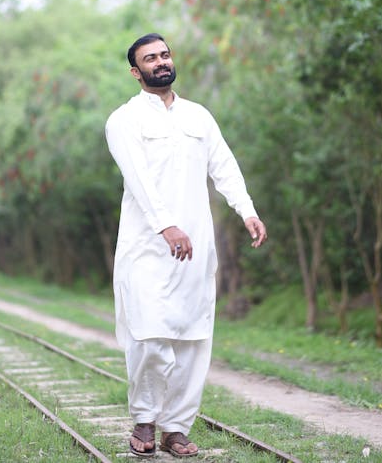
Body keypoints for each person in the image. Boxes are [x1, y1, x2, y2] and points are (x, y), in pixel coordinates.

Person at [105, 33, 267, 458]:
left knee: (194, 342)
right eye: (150, 59)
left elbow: (225, 168)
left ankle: (176, 429)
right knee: (150, 339)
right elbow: (138, 180)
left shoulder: (199, 117)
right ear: (135, 71)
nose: (161, 62)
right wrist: (166, 226)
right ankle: (144, 418)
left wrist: (247, 211)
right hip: (146, 251)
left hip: (195, 253)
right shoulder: (124, 120)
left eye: (164, 54)